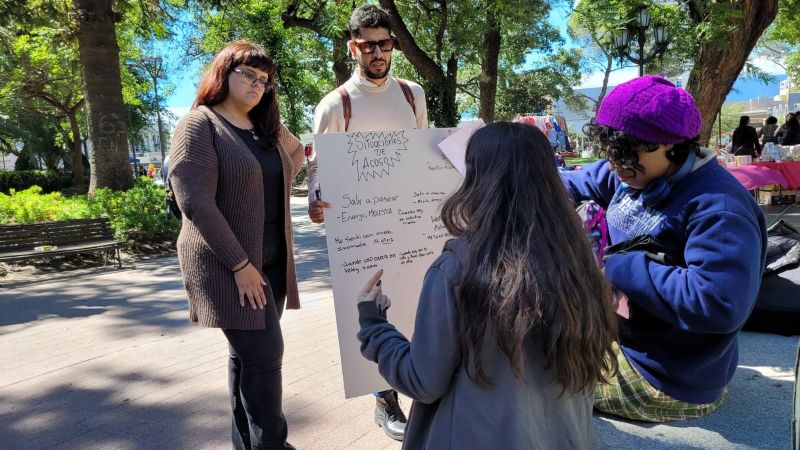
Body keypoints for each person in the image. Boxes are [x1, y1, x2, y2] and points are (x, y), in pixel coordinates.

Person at [356, 122, 618, 449]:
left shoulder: (457, 269)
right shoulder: (579, 259)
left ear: (479, 181)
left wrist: (374, 326)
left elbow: (423, 381)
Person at [561, 75, 767, 422]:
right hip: (632, 339)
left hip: (667, 377)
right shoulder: (631, 174)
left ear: (672, 146)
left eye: (626, 154)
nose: (614, 164)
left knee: (538, 380)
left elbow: (717, 303)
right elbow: (571, 181)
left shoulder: (719, 208)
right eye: (610, 153)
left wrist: (617, 265)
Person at [168, 40, 306, 449]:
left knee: (245, 357)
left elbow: (296, 156)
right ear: (223, 73)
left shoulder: (265, 127)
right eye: (248, 74)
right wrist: (240, 264)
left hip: (272, 264)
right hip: (227, 266)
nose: (257, 85)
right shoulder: (200, 124)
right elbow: (193, 200)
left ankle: (246, 443)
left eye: (264, 80)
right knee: (265, 358)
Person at [306, 4, 428, 441]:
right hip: (359, 229)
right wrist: (315, 203)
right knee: (370, 309)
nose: (378, 52)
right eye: (368, 45)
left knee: (416, 301)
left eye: (385, 43)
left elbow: (422, 156)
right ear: (352, 47)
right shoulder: (335, 105)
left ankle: (421, 389)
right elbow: (318, 169)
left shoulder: (413, 93)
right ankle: (384, 399)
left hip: (410, 221)